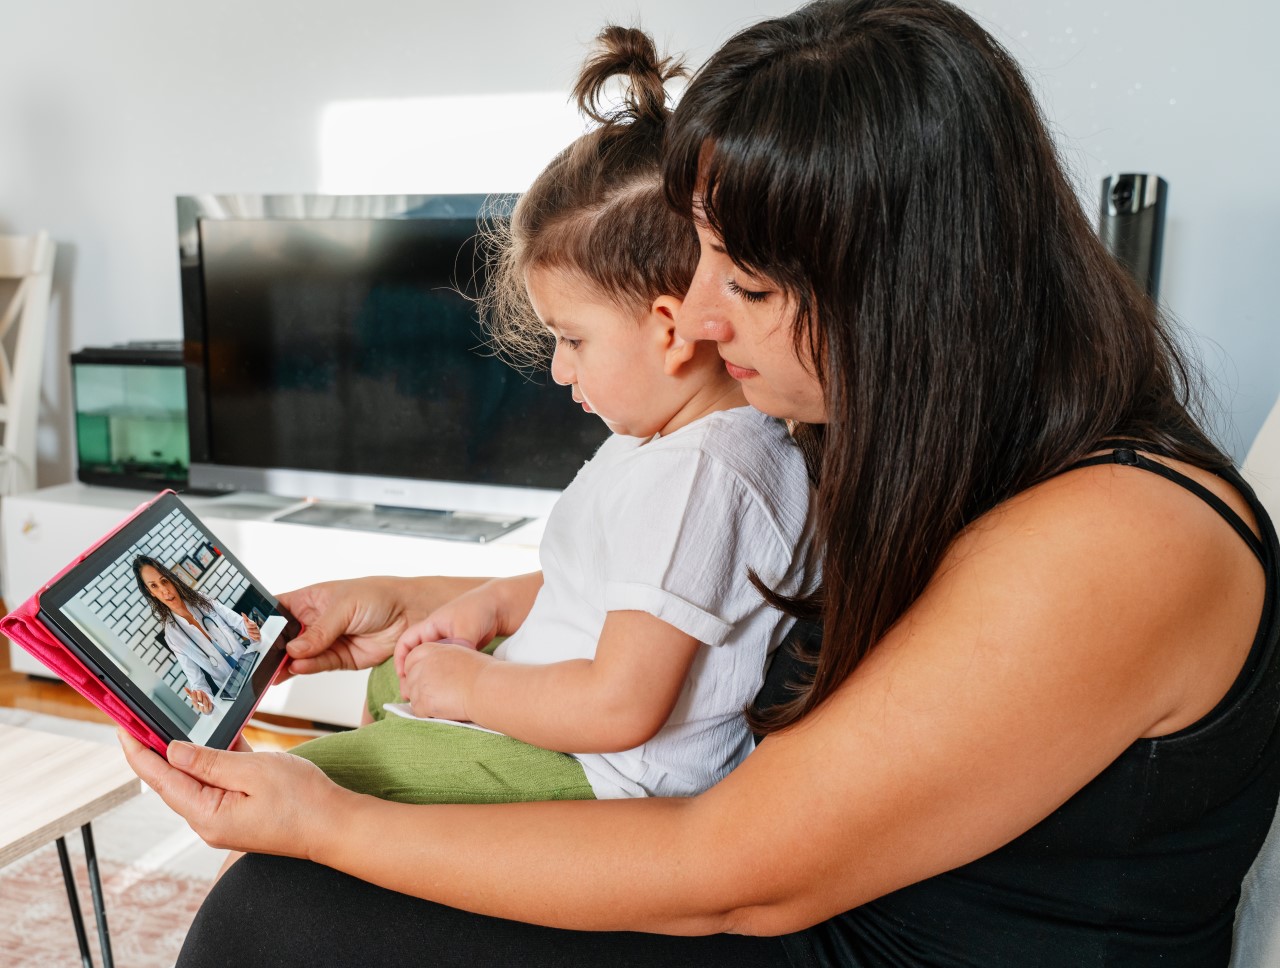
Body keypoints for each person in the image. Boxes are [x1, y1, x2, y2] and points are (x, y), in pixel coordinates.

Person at [119, 2, 1280, 966]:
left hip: (845, 934)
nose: (703, 321)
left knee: (286, 909)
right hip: (806, 897)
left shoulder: (1116, 540)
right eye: (703, 260)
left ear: (911, 289)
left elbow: (728, 874)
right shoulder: (892, 435)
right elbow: (695, 597)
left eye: (752, 284)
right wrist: (418, 595)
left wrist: (330, 820)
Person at [280, 27, 815, 807]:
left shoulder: (699, 478)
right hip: (569, 719)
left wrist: (474, 687)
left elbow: (620, 706)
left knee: (315, 780)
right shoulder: (672, 443)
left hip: (604, 773)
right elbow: (599, 581)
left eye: (571, 340)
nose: (560, 370)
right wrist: (493, 605)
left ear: (669, 331)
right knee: (399, 672)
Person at [133, 555, 261, 715]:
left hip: (253, 664)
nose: (164, 590)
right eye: (154, 586)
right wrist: (204, 702)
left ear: (172, 580)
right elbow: (197, 682)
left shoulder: (201, 600)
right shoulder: (173, 637)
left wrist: (250, 629)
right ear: (151, 592)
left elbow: (238, 623)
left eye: (164, 581)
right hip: (233, 692)